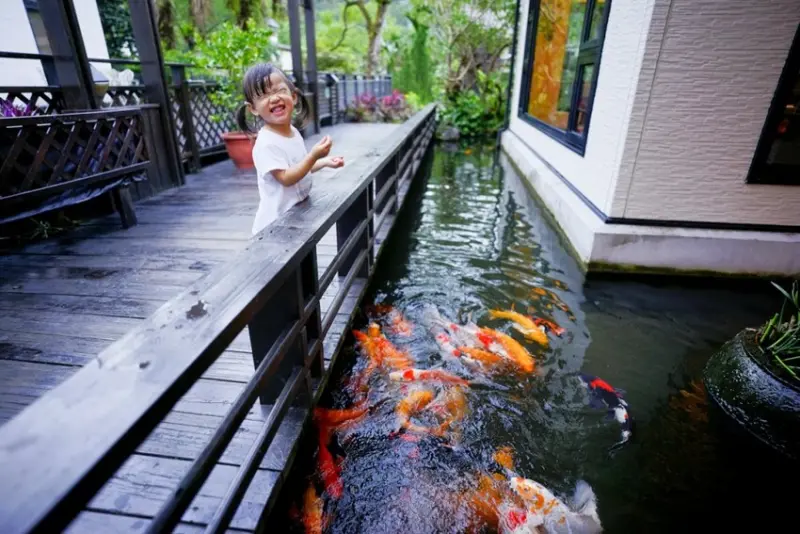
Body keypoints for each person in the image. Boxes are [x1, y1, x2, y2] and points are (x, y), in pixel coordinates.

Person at [236, 63, 345, 236]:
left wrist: (323, 162)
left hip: (294, 218)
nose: (274, 98)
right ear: (253, 109)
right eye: (264, 95)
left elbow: (298, 166)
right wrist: (313, 155)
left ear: (293, 97)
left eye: (279, 90)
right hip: (274, 227)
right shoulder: (267, 143)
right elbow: (286, 178)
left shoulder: (293, 132)